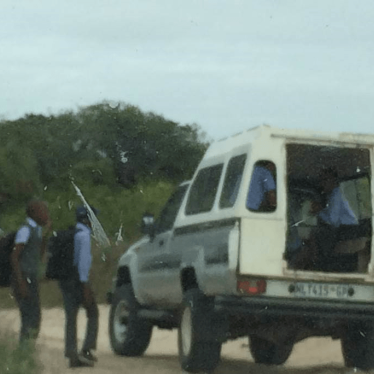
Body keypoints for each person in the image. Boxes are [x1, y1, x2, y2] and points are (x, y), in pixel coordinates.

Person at [58, 206, 99, 368]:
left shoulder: (72, 233)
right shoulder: (84, 236)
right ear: (89, 220)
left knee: (71, 316)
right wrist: (85, 286)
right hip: (78, 281)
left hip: (65, 280)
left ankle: (71, 352)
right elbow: (83, 264)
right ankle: (87, 349)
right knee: (93, 312)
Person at [11, 200, 52, 344]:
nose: (47, 215)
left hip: (30, 277)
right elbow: (15, 257)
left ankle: (27, 349)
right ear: (34, 213)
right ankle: (24, 350)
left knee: (34, 317)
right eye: (44, 211)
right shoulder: (26, 229)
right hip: (24, 277)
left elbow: (39, 254)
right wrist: (21, 283)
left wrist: (45, 235)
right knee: (29, 317)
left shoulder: (37, 230)